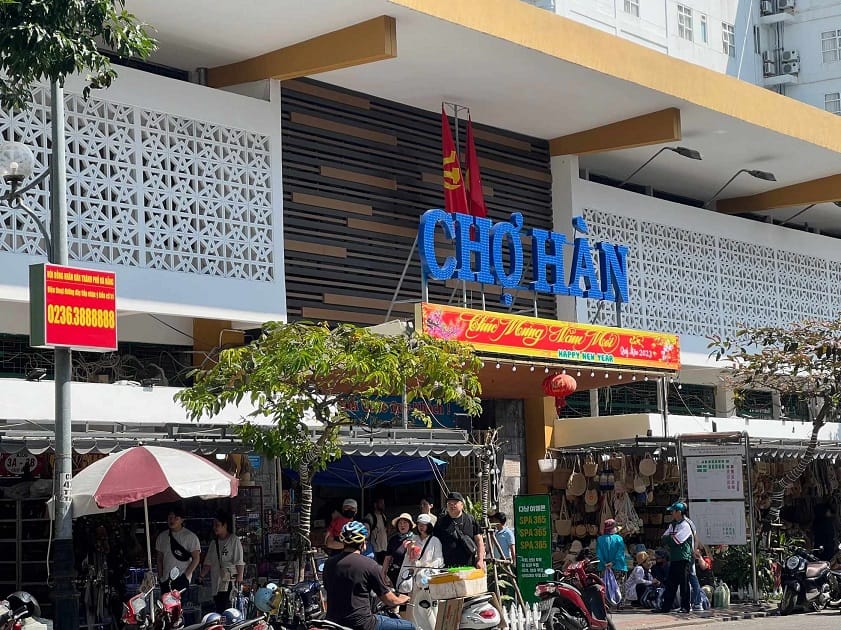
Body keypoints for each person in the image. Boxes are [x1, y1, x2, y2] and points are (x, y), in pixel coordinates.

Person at [322, 520, 415, 630]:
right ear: (363, 543)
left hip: (333, 622)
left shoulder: (328, 564)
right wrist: (401, 599)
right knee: (410, 626)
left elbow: (329, 588)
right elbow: (390, 600)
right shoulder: (370, 565)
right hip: (362, 624)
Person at [200, 510, 245, 613]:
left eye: (217, 525)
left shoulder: (234, 540)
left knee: (229, 609)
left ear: (225, 525)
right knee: (219, 608)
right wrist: (201, 576)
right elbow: (208, 563)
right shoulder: (213, 543)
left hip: (230, 582)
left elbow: (239, 562)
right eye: (214, 525)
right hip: (217, 583)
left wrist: (239, 578)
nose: (215, 528)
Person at [432, 492, 485, 569]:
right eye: (449, 503)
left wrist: (480, 560)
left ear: (462, 505)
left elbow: (479, 541)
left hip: (468, 565)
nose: (452, 506)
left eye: (455, 503)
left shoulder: (470, 519)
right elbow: (434, 541)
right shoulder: (441, 522)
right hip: (447, 567)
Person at [155, 505, 201, 592]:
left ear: (182, 520)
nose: (172, 520)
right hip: (165, 580)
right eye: (170, 518)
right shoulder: (162, 537)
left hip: (182, 579)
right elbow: (159, 559)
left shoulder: (190, 537)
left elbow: (196, 558)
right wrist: (161, 577)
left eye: (176, 518)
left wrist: (185, 576)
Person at [658, 502, 693, 614]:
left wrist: (670, 538)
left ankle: (685, 607)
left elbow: (677, 541)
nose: (671, 513)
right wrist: (671, 538)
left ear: (679, 512)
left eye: (673, 511)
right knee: (671, 584)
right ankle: (666, 607)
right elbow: (663, 538)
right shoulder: (672, 525)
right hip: (674, 558)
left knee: (684, 584)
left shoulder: (685, 526)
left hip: (683, 558)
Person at [382, 513, 417, 587]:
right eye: (400, 523)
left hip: (409, 574)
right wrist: (383, 573)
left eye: (405, 522)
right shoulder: (393, 540)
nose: (402, 525)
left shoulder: (415, 539)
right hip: (394, 573)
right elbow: (387, 558)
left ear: (410, 525)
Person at [365, 497, 390, 563]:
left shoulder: (383, 516)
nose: (383, 505)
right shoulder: (370, 517)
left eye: (383, 503)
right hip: (375, 549)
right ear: (375, 504)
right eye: (381, 503)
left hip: (384, 548)